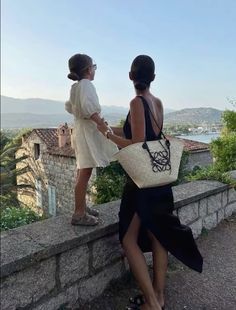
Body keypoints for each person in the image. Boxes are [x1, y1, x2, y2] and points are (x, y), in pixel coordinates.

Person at [97, 55, 203, 310]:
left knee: (129, 239)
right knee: (157, 237)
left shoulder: (136, 102)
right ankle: (159, 296)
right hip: (160, 181)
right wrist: (108, 128)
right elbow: (146, 134)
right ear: (152, 78)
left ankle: (153, 304)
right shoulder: (158, 103)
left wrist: (110, 136)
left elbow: (139, 142)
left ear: (130, 76)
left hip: (141, 184)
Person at [65, 53, 118, 226]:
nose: (94, 70)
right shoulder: (86, 85)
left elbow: (70, 107)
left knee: (83, 171)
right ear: (89, 69)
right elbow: (89, 108)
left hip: (80, 130)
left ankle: (82, 206)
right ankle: (79, 213)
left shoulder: (76, 86)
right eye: (94, 67)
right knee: (85, 172)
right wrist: (101, 124)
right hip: (87, 131)